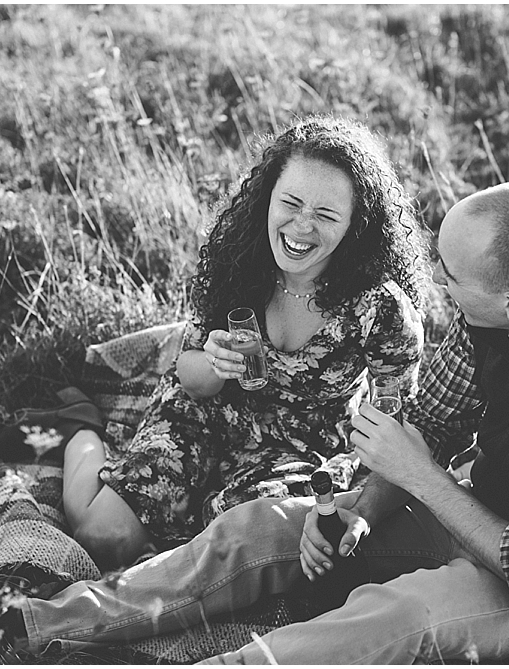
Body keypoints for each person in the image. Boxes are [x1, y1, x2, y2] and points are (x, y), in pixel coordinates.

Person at [0, 181, 509, 663]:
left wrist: (419, 476)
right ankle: (18, 629)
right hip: (468, 516)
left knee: (398, 616)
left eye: (450, 278)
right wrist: (357, 511)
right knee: (265, 526)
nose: (439, 288)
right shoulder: (496, 317)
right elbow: (431, 424)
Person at [61, 116, 431, 570]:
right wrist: (213, 365)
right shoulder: (236, 261)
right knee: (103, 539)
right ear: (268, 198)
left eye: (327, 215)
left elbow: (402, 428)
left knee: (225, 550)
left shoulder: (381, 309)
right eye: (290, 203)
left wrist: (366, 505)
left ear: (357, 223)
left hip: (300, 450)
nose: (301, 226)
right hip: (208, 413)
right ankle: (82, 431)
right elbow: (189, 376)